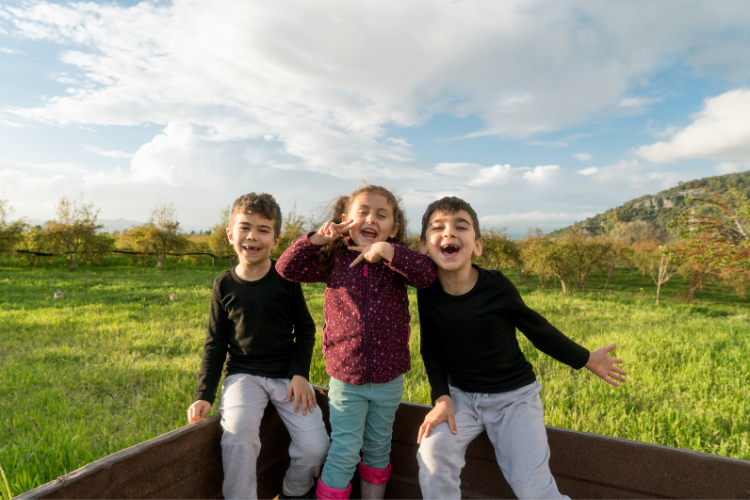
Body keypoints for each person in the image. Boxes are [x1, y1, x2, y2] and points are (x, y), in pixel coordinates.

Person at [415, 196, 627, 500]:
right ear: (424, 245)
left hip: (513, 399)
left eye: (460, 227)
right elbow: (431, 348)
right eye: (438, 228)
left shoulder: (496, 287)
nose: (449, 233)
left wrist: (585, 359)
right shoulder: (428, 292)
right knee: (432, 455)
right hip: (461, 399)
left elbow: (537, 329)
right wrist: (441, 398)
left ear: (477, 245)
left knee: (532, 486)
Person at [276, 185, 437, 500]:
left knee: (379, 448)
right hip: (346, 378)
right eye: (362, 211)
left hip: (389, 378)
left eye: (381, 214)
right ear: (346, 219)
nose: (371, 219)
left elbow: (427, 275)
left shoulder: (397, 264)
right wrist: (317, 239)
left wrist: (389, 253)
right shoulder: (333, 258)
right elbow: (286, 268)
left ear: (394, 227)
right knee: (345, 450)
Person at [186, 193, 330, 500]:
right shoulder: (223, 285)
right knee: (238, 437)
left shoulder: (285, 277)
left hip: (287, 378)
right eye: (245, 227)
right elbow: (215, 343)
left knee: (316, 447)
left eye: (263, 230)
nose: (252, 236)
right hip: (243, 376)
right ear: (230, 234)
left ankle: (293, 492)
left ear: (275, 240)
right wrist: (204, 395)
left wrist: (300, 375)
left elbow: (305, 329)